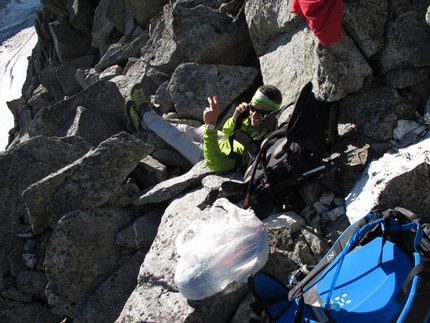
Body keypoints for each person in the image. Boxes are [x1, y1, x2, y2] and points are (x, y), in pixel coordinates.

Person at [125, 83, 282, 172]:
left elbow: (216, 163)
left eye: (261, 113)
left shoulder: (258, 144)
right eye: (252, 108)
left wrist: (211, 126)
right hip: (225, 143)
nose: (254, 115)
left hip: (211, 157)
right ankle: (145, 124)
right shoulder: (260, 123)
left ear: (271, 115)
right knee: (187, 129)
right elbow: (228, 134)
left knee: (178, 137)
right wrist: (235, 119)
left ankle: (145, 113)